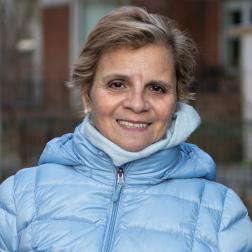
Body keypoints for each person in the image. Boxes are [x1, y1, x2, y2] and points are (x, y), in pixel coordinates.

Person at [0, 6, 251, 252]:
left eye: (156, 88)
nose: (137, 104)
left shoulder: (222, 217)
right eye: (118, 84)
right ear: (87, 96)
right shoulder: (18, 199)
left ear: (176, 102)